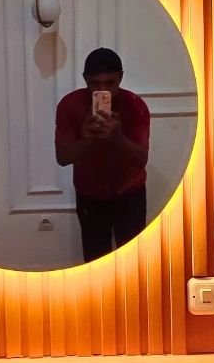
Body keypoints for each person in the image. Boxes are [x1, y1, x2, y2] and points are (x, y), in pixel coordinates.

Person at [55, 48, 150, 262]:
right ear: (85, 80)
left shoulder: (135, 105)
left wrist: (117, 137)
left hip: (130, 194)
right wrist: (87, 140)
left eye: (109, 83)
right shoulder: (70, 105)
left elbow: (141, 160)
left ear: (121, 78)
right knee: (95, 262)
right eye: (94, 84)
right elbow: (62, 158)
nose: (102, 89)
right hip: (89, 196)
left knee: (134, 261)